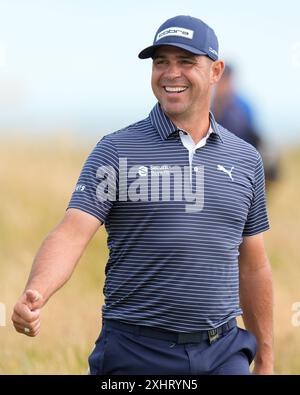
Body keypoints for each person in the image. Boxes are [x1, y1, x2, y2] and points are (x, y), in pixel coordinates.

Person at [12, 15, 274, 375]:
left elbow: (254, 263)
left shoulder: (245, 159)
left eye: (186, 61)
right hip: (135, 353)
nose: (171, 73)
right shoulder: (116, 150)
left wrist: (267, 359)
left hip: (223, 353)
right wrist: (37, 291)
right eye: (161, 62)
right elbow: (72, 232)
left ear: (215, 71)